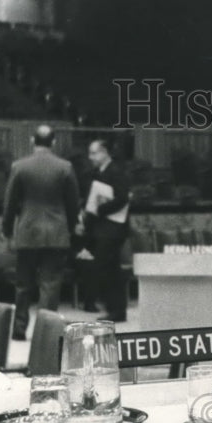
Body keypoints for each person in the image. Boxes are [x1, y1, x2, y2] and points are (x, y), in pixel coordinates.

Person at [1, 125, 79, 340]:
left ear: (31, 140)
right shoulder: (65, 167)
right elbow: (73, 204)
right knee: (50, 285)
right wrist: (71, 228)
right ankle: (44, 331)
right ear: (53, 143)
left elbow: (9, 203)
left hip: (27, 231)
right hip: (56, 233)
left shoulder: (19, 166)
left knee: (23, 283)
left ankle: (19, 328)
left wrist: (7, 230)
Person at [83, 138, 130, 323]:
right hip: (102, 228)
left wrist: (99, 209)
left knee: (110, 269)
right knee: (107, 268)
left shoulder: (116, 171)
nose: (90, 157)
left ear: (104, 153)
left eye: (94, 153)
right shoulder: (97, 173)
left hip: (113, 228)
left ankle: (117, 310)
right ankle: (114, 309)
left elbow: (122, 198)